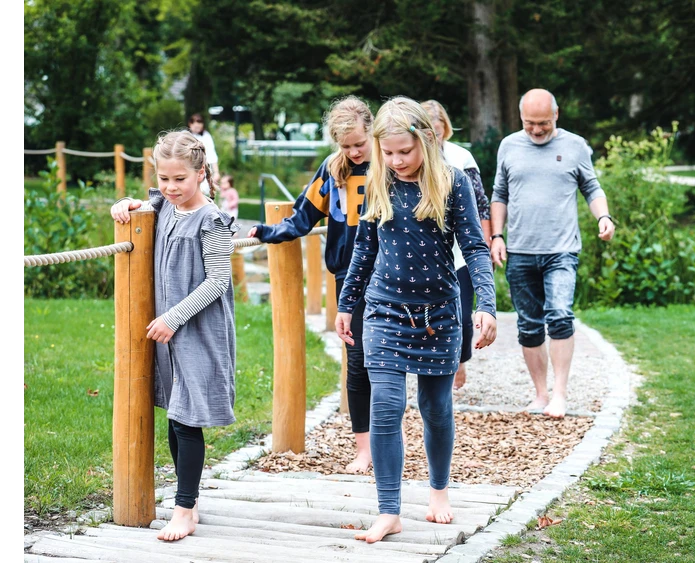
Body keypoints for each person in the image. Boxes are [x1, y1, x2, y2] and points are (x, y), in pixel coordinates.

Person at [335, 96, 497, 544]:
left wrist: (486, 304)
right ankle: (389, 510)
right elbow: (363, 250)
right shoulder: (378, 182)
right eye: (387, 152)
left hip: (439, 314)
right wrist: (347, 304)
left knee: (435, 409)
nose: (396, 161)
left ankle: (439, 491)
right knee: (385, 406)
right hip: (384, 309)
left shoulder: (454, 183)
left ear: (426, 140)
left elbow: (476, 248)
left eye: (404, 151)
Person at [109, 129, 238, 541]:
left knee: (186, 418)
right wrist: (125, 204)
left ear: (201, 173)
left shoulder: (212, 220)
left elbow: (218, 281)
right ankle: (190, 500)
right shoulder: (163, 205)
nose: (170, 187)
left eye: (179, 178)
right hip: (168, 334)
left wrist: (174, 317)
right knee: (173, 412)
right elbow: (144, 205)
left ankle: (183, 509)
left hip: (197, 330)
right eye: (164, 178)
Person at [247, 95, 376, 474]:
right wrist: (270, 232)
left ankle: (389, 441)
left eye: (359, 144)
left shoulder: (390, 164)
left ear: (372, 131)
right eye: (345, 145)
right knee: (357, 362)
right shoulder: (333, 170)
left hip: (387, 274)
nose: (353, 152)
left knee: (384, 360)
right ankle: (363, 449)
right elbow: (302, 216)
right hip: (347, 276)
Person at [489, 88, 616, 419]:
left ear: (556, 115)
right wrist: (497, 236)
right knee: (529, 326)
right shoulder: (509, 146)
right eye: (529, 123)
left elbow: (592, 187)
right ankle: (541, 394)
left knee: (560, 314)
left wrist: (603, 216)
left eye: (543, 122)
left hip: (561, 250)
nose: (536, 129)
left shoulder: (574, 146)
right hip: (519, 250)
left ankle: (560, 394)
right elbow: (499, 194)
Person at [420, 100, 491, 391]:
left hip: (460, 253)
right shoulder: (410, 160)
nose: (433, 138)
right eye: (427, 132)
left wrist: (486, 244)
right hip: (425, 254)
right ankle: (432, 368)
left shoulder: (461, 158)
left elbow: (482, 205)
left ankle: (459, 362)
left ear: (445, 130)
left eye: (437, 132)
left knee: (461, 313)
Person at [188, 113, 220, 196]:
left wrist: (216, 172)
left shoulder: (206, 136)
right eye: (196, 123)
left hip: (204, 169)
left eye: (200, 123)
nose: (198, 126)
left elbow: (212, 155)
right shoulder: (186, 136)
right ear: (190, 124)